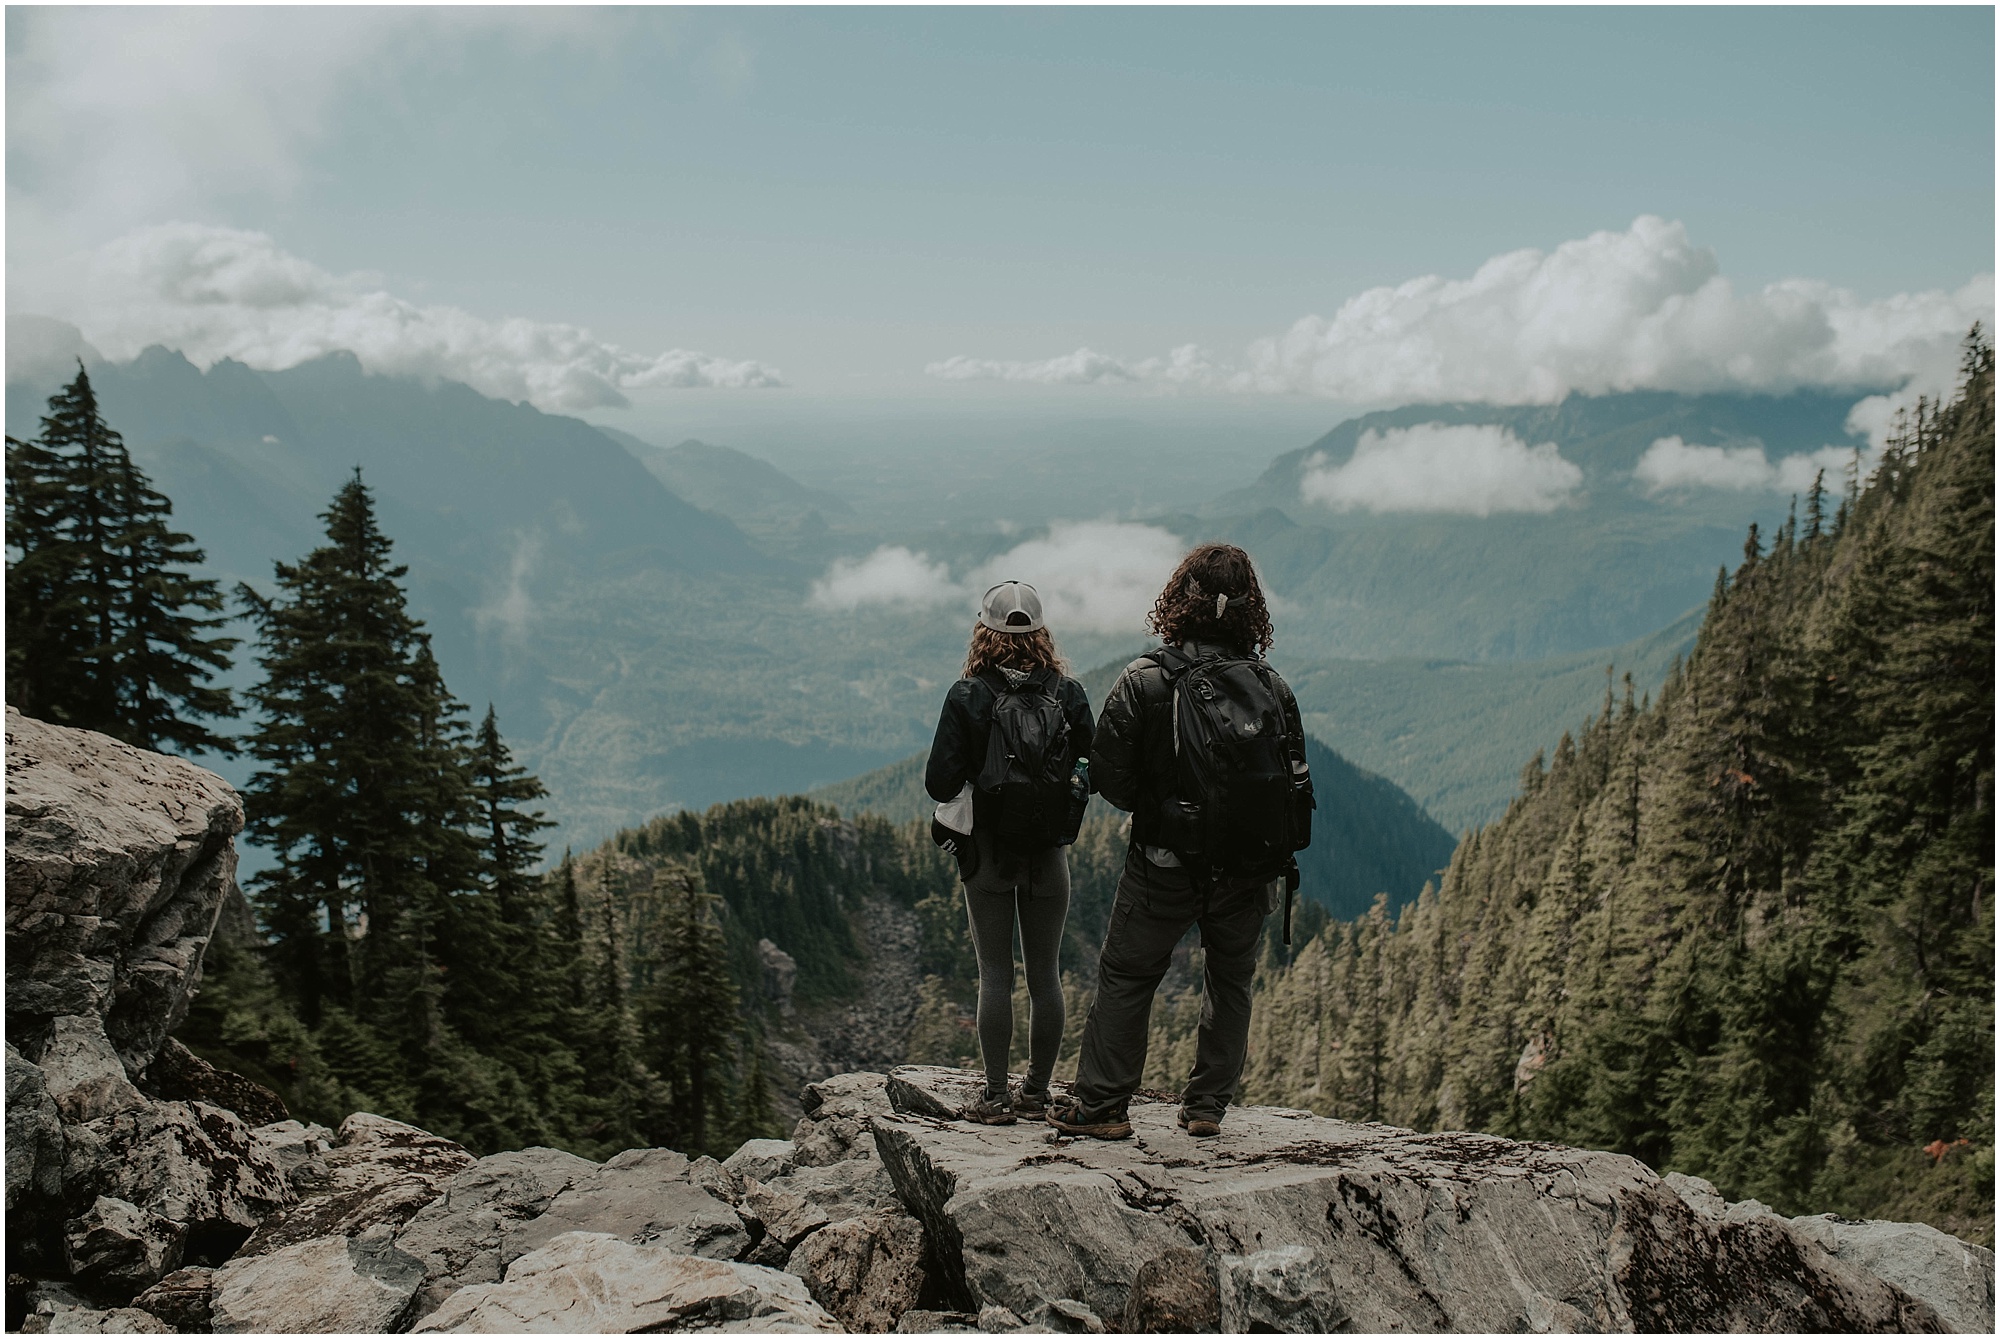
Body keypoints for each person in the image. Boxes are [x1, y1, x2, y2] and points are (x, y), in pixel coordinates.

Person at [1049, 543, 1311, 1140]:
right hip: (1249, 868)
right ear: (1250, 609)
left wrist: (1164, 803)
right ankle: (1206, 1107)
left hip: (1163, 864)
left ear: (1179, 599)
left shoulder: (1145, 681)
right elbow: (1294, 781)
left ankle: (1103, 1106)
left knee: (1127, 976)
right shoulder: (1272, 688)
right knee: (1230, 982)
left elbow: (1110, 777)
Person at [925, 580, 1094, 1124]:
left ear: (984, 632)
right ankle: (1038, 1093)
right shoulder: (1068, 694)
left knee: (994, 975)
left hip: (988, 857)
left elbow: (939, 782)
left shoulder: (968, 696)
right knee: (1046, 975)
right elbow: (1093, 768)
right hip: (1048, 857)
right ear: (1042, 633)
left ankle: (996, 1098)